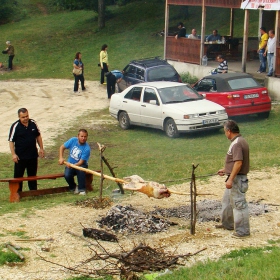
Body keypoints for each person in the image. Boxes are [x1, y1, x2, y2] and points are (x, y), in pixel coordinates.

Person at [216, 120, 250, 239]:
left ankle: (242, 231)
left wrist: (230, 179)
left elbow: (239, 163)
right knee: (226, 202)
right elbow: (234, 162)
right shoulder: (238, 141)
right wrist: (225, 169)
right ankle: (228, 224)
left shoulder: (237, 143)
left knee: (238, 204)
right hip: (234, 177)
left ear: (229, 131)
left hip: (237, 179)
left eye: (225, 131)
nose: (225, 133)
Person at [8, 108, 44, 192]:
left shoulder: (33, 123)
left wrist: (41, 148)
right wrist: (13, 154)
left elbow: (38, 136)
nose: (25, 118)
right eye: (23, 117)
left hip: (32, 155)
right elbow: (11, 141)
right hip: (20, 157)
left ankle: (33, 193)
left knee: (32, 176)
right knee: (18, 177)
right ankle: (17, 194)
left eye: (27, 116)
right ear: (19, 117)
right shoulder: (15, 126)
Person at [58, 129, 91, 195]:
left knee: (81, 171)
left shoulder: (87, 148)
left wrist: (73, 165)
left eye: (85, 137)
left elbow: (81, 162)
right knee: (67, 175)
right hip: (70, 163)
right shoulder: (73, 140)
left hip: (81, 164)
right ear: (78, 136)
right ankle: (74, 187)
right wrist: (61, 158)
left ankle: (82, 189)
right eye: (82, 136)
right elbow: (62, 147)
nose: (83, 138)